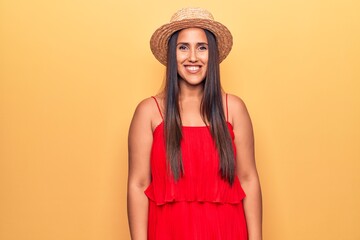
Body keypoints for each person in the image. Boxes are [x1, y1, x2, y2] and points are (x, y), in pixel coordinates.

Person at [127, 7, 262, 240]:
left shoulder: (233, 109)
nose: (192, 57)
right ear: (172, 54)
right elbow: (138, 184)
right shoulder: (149, 112)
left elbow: (249, 179)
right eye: (183, 47)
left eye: (202, 47)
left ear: (213, 55)